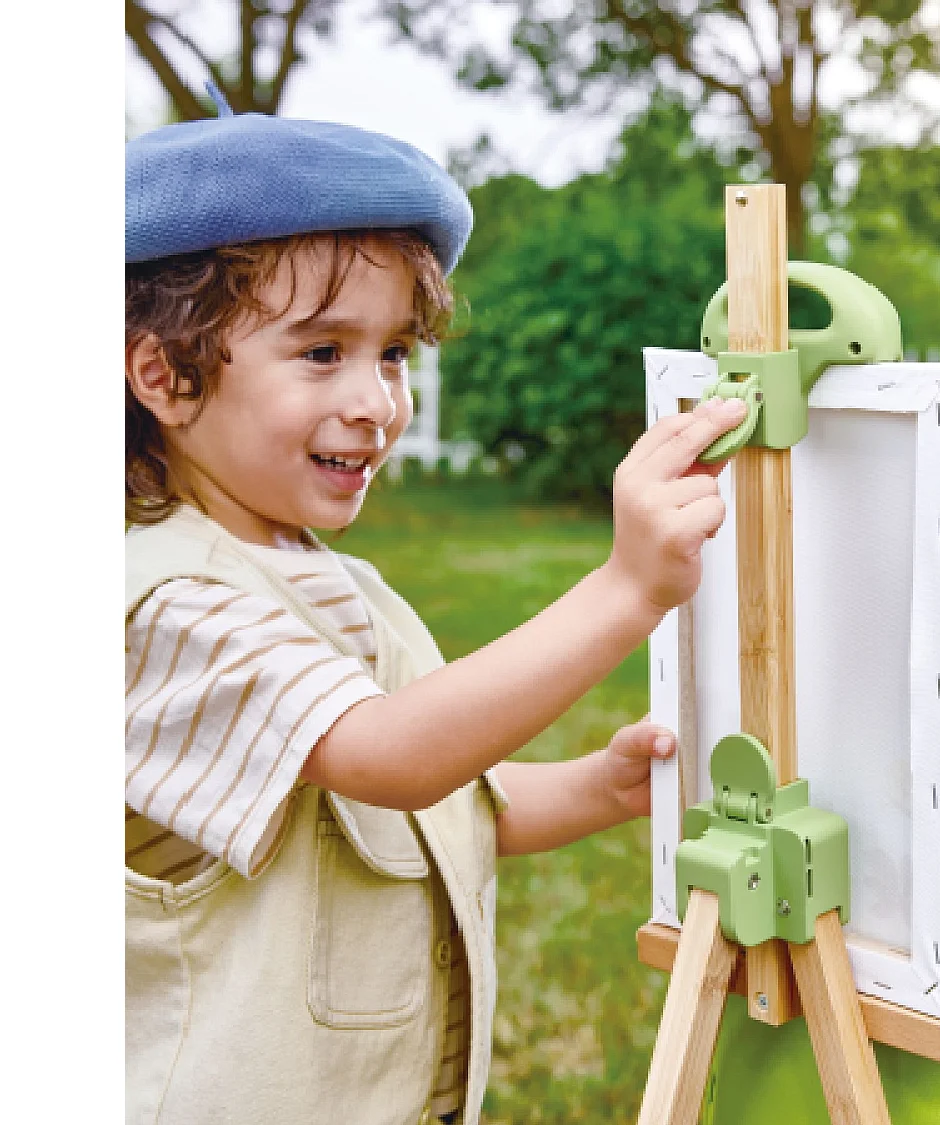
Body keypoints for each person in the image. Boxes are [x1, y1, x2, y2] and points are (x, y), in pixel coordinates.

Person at [124, 105, 747, 1125]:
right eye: (322, 352)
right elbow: (390, 756)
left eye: (395, 353)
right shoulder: (166, 609)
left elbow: (432, 801)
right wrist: (627, 589)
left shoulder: (339, 585)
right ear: (166, 376)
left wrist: (597, 786)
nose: (376, 401)